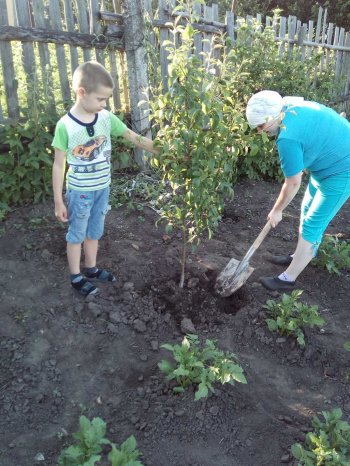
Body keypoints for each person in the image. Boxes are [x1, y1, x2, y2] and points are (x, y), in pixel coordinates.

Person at [52, 61, 158, 296]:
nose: (104, 105)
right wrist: (59, 200)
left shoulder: (106, 118)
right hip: (80, 191)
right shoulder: (65, 126)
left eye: (106, 100)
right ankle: (76, 276)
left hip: (103, 188)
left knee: (95, 232)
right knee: (77, 234)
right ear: (82, 93)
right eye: (100, 99)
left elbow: (132, 136)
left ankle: (91, 269)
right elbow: (59, 165)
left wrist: (163, 150)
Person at [245, 90, 350, 291]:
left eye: (260, 126)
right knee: (307, 209)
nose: (260, 131)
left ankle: (287, 279)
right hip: (326, 164)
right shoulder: (290, 108)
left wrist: (277, 210)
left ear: (272, 116)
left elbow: (293, 182)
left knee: (312, 224)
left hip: (343, 170)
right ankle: (301, 254)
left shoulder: (288, 138)